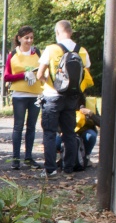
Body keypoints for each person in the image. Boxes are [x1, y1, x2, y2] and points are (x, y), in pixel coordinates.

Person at [37, 20, 91, 177]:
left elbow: (40, 74)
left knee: (49, 133)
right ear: (71, 32)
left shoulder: (51, 49)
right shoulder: (82, 51)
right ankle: (68, 168)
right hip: (72, 97)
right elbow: (86, 75)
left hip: (52, 96)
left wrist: (49, 82)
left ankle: (50, 169)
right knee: (69, 133)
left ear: (57, 32)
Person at [3, 25, 43, 170]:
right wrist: (23, 75)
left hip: (35, 94)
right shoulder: (13, 54)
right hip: (19, 95)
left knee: (31, 127)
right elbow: (7, 76)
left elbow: (43, 71)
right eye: (26, 38)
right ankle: (15, 158)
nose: (29, 40)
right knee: (18, 127)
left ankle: (29, 157)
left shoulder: (37, 53)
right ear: (19, 38)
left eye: (31, 38)